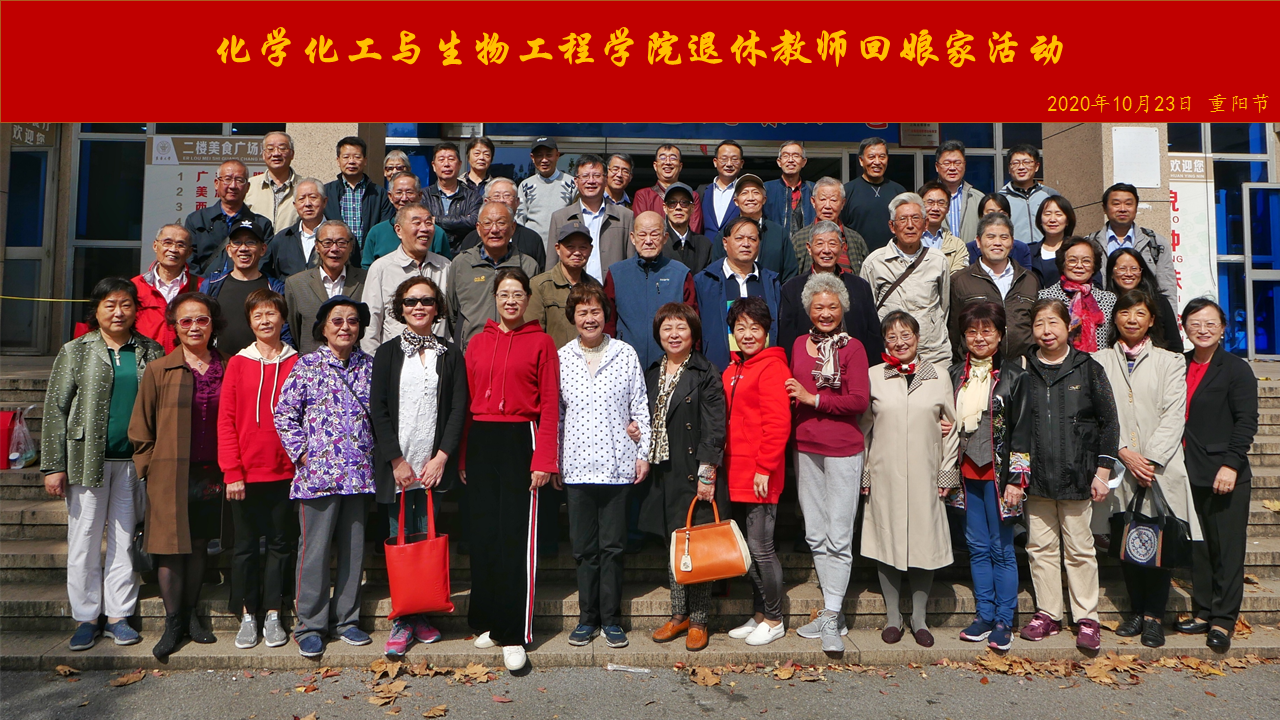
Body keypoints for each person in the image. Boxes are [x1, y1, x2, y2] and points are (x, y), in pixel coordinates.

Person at [42, 278, 164, 651]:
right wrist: (53, 465)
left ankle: (118, 616)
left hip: (133, 461)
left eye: (126, 304)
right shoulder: (76, 350)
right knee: (84, 540)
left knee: (124, 540)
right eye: (110, 305)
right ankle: (86, 617)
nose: (118, 312)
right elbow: (56, 409)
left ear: (136, 309)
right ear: (96, 310)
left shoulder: (150, 350)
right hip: (85, 460)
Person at [461, 268, 560, 672]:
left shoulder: (541, 342)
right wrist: (464, 455)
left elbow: (550, 404)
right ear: (495, 299)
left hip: (522, 439)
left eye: (518, 294)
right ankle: (488, 618)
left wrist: (544, 459)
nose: (511, 301)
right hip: (482, 440)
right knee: (484, 534)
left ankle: (514, 632)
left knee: (514, 537)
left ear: (527, 299)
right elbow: (466, 401)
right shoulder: (477, 342)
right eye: (504, 294)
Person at [1094, 290, 1201, 649]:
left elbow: (1174, 414)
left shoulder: (1171, 361)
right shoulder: (1098, 360)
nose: (1132, 320)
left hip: (1160, 467)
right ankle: (1137, 611)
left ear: (1152, 320)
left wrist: (1150, 459)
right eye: (1125, 313)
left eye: (1140, 313)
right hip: (1119, 465)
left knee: (1160, 539)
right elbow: (1099, 414)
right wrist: (1124, 452)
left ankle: (1155, 615)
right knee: (1128, 537)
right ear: (1115, 318)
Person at [370, 277, 468, 657]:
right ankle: (402, 618)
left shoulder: (450, 353)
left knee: (425, 539)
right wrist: (395, 460)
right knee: (400, 541)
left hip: (432, 467)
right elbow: (378, 409)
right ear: (401, 307)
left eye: (426, 300)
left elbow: (458, 408)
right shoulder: (387, 353)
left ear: (437, 307)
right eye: (411, 301)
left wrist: (442, 457)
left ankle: (422, 613)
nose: (419, 307)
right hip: (399, 466)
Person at [274, 295, 377, 659]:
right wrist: (303, 454)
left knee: (353, 550)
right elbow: (284, 413)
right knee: (314, 552)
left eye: (353, 321)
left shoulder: (369, 366)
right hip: (317, 477)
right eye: (337, 320)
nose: (345, 327)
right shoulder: (307, 365)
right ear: (323, 327)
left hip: (358, 475)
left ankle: (347, 620)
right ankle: (310, 625)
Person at [129, 291, 229, 659]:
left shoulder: (228, 366)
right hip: (169, 472)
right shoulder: (160, 370)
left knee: (200, 545)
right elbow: (141, 427)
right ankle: (173, 623)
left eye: (202, 319)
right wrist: (149, 468)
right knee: (170, 549)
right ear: (174, 326)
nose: (194, 327)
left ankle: (191, 615)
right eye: (186, 321)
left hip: (213, 473)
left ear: (213, 324)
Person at [1017, 298, 1117, 652]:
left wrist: (1102, 471)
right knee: (1040, 548)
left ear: (1068, 326)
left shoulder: (1088, 368)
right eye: (1039, 324)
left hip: (1078, 474)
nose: (1046, 331)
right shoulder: (1022, 369)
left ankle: (1087, 617)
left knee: (1080, 549)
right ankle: (1048, 614)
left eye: (1053, 323)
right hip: (1036, 477)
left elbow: (1109, 423)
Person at [559, 283, 651, 650]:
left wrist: (643, 452)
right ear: (573, 317)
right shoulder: (562, 357)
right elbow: (557, 415)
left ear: (605, 314)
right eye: (582, 312)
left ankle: (611, 620)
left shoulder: (624, 354)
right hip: (576, 466)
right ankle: (587, 619)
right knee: (583, 548)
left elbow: (640, 406)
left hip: (617, 465)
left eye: (595, 311)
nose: (589, 318)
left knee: (612, 546)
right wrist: (554, 460)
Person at [861, 310, 958, 647]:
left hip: (925, 471)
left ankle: (919, 618)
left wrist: (947, 470)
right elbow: (864, 429)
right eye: (892, 337)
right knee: (885, 540)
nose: (900, 342)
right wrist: (864, 471)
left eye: (906, 335)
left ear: (917, 338)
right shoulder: (874, 375)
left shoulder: (939, 376)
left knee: (923, 542)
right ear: (884, 342)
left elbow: (952, 427)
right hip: (884, 472)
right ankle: (893, 617)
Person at [785, 274, 870, 652]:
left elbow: (859, 401)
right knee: (815, 533)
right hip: (805, 447)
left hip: (843, 449)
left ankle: (833, 616)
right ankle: (830, 610)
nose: (825, 313)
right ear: (808, 309)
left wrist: (813, 399)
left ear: (843, 309)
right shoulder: (798, 345)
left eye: (832, 306)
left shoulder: (853, 348)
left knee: (839, 534)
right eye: (818, 306)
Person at [639, 303, 726, 652]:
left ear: (693, 333)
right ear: (658, 334)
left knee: (698, 546)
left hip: (693, 469)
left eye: (681, 328)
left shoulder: (704, 371)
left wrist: (707, 473)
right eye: (667, 329)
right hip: (662, 469)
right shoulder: (652, 371)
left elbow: (715, 426)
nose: (673, 335)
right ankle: (679, 615)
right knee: (673, 544)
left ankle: (699, 619)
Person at [216, 289, 299, 651]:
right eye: (258, 315)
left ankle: (274, 612)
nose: (265, 321)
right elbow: (226, 420)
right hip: (245, 474)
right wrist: (232, 471)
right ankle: (248, 613)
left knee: (281, 545)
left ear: (283, 319)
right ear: (249, 322)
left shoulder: (298, 362)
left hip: (286, 472)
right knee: (245, 547)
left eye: (271, 314)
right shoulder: (238, 363)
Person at [947, 301, 1032, 652]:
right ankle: (983, 615)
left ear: (1000, 335)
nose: (979, 338)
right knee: (977, 548)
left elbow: (1023, 431)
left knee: (1002, 549)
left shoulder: (1015, 376)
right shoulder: (955, 375)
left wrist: (1017, 479)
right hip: (965, 474)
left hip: (1001, 478)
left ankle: (1003, 620)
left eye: (987, 331)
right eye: (971, 331)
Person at [1180, 298, 1259, 651]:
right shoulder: (1179, 364)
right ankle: (1203, 610)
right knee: (1199, 547)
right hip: (1187, 469)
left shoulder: (1236, 369)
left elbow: (1246, 421)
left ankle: (1223, 621)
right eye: (1195, 323)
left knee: (1227, 549)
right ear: (1185, 327)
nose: (1203, 329)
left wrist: (1231, 464)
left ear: (1223, 328)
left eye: (1211, 323)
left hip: (1225, 472)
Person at [721, 297, 791, 647]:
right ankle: (761, 613)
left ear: (766, 332)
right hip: (736, 471)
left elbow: (778, 423)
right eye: (740, 328)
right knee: (747, 550)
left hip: (761, 472)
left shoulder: (772, 367)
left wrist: (765, 467)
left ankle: (775, 619)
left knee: (761, 548)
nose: (748, 334)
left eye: (755, 328)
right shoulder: (732, 370)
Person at [861, 193, 952, 368]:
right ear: (892, 226)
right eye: (903, 219)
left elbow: (944, 306)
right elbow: (867, 312)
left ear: (925, 224)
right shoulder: (874, 263)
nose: (910, 225)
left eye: (916, 218)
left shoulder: (938, 260)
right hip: (891, 354)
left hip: (933, 354)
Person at [778, 220, 882, 367]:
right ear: (809, 248)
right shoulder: (792, 289)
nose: (826, 250)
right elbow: (787, 340)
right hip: (808, 369)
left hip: (853, 367)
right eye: (819, 244)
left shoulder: (860, 287)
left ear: (842, 247)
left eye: (832, 244)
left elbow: (873, 337)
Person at [603, 211, 698, 370]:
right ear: (633, 238)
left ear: (665, 238)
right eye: (642, 235)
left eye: (655, 235)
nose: (648, 241)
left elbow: (693, 325)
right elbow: (608, 323)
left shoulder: (680, 274)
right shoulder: (616, 274)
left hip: (671, 365)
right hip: (625, 365)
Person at [447, 202, 542, 349]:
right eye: (487, 223)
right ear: (478, 228)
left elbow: (534, 313)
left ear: (513, 227)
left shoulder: (528, 266)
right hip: (474, 351)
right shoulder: (461, 264)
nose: (494, 230)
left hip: (517, 350)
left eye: (501, 223)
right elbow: (452, 314)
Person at [693, 217, 782, 371]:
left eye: (752, 239)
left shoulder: (771, 282)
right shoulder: (704, 282)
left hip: (763, 370)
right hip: (717, 372)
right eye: (739, 238)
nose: (746, 244)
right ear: (725, 243)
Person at [948, 213, 1040, 362]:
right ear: (978, 241)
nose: (997, 243)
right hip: (977, 367)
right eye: (990, 237)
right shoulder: (960, 281)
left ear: (1012, 242)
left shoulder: (1029, 279)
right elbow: (954, 333)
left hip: (1023, 366)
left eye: (1004, 237)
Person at [363, 203, 452, 351]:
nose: (424, 229)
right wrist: (374, 360)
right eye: (416, 223)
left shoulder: (446, 266)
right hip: (396, 358)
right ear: (398, 230)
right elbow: (371, 322)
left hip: (438, 357)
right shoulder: (381, 268)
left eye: (428, 223)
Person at [200, 221, 290, 354]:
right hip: (220, 363)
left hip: (262, 363)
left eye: (250, 242)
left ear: (263, 249)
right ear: (228, 250)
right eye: (237, 242)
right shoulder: (212, 285)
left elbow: (285, 332)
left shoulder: (276, 289)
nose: (243, 248)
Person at [1088, 183, 1178, 311]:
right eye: (1116, 204)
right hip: (1102, 315)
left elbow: (1167, 288)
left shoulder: (1155, 242)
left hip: (1143, 315)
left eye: (1128, 204)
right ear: (1104, 208)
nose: (1122, 209)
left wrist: (1170, 320)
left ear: (1136, 207)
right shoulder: (1090, 244)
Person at [283, 219, 368, 355]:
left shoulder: (366, 280)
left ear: (351, 246)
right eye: (327, 243)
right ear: (317, 246)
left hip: (355, 363)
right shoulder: (296, 284)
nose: (334, 249)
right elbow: (294, 330)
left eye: (341, 243)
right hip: (311, 363)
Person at [548, 153, 635, 282]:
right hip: (572, 290)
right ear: (576, 181)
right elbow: (551, 265)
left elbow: (632, 263)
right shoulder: (560, 217)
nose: (591, 181)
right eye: (585, 176)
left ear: (605, 180)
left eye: (596, 176)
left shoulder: (625, 216)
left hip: (613, 290)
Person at [184, 160, 274, 276]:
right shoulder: (196, 220)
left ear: (247, 187)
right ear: (216, 183)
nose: (233, 186)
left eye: (239, 180)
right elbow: (189, 261)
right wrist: (203, 284)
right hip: (205, 285)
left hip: (246, 284)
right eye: (227, 179)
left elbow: (264, 262)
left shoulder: (261, 224)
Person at [710, 173, 799, 282]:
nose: (751, 198)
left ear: (764, 199)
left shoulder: (779, 234)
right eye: (744, 193)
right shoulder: (725, 234)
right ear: (736, 201)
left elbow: (790, 275)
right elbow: (715, 273)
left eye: (756, 192)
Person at [1038, 236, 1116, 353]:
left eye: (1086, 261)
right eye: (1072, 260)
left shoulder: (1108, 299)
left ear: (1094, 266)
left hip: (1099, 362)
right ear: (1062, 264)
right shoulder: (1046, 297)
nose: (1079, 265)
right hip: (1061, 361)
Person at [527, 222, 598, 348]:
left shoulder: (595, 287)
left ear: (590, 250)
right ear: (558, 249)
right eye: (570, 247)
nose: (577, 252)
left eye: (583, 247)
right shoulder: (539, 286)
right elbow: (532, 336)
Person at [360, 172, 449, 268]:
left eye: (409, 192)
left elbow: (445, 268)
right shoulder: (376, 232)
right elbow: (367, 268)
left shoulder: (435, 233)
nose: (404, 198)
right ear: (390, 196)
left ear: (420, 195)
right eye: (399, 193)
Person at [323, 136, 395, 254]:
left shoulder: (379, 194)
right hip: (335, 255)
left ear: (365, 161)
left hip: (370, 256)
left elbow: (384, 230)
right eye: (346, 157)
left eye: (357, 157)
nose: (351, 161)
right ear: (338, 160)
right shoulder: (326, 192)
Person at [458, 178, 548, 270]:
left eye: (507, 196)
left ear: (517, 202)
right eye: (496, 196)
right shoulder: (471, 239)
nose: (501, 200)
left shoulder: (532, 239)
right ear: (486, 202)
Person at [1107, 248, 1184, 353]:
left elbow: (1175, 346)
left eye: (1134, 268)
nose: (1128, 273)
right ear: (1111, 273)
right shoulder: (1104, 302)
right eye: (1122, 268)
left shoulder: (1159, 302)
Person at [789, 177, 870, 276]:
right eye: (823, 199)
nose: (827, 206)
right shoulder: (799, 240)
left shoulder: (855, 240)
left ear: (843, 203)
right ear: (813, 202)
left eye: (833, 200)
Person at [133, 224, 196, 352]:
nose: (173, 249)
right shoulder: (135, 286)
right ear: (155, 246)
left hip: (186, 360)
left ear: (189, 252)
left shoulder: (200, 286)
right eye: (167, 243)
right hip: (145, 359)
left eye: (180, 245)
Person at [840, 137, 906, 253]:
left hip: (893, 257)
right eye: (871, 157)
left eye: (882, 157)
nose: (877, 162)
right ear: (861, 160)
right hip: (858, 257)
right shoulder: (847, 191)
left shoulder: (899, 192)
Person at [264, 177, 331, 279]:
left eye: (313, 197)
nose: (307, 204)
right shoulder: (282, 239)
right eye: (301, 199)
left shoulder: (340, 236)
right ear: (295, 205)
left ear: (324, 202)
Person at [422, 142, 482, 255]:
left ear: (459, 164)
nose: (446, 164)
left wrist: (437, 220)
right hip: (431, 254)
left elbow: (474, 222)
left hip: (464, 255)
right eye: (441, 160)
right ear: (434, 166)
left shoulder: (473, 197)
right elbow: (422, 224)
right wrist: (462, 222)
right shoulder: (423, 196)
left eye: (451, 159)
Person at [516, 137, 576, 247]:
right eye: (539, 155)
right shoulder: (525, 186)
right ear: (532, 158)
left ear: (557, 155)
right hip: (532, 247)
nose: (544, 160)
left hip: (563, 247)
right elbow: (519, 220)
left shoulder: (572, 184)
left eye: (549, 155)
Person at [998, 144, 1059, 245]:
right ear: (1009, 168)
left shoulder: (1050, 195)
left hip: (1046, 250)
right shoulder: (1001, 198)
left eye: (1026, 162)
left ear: (1036, 166)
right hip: (1015, 252)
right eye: (1015, 163)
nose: (1021, 167)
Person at [633, 144, 703, 233]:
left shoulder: (693, 196)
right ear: (655, 165)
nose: (668, 162)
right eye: (662, 158)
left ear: (680, 166)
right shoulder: (643, 195)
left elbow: (694, 230)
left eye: (673, 158)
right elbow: (641, 229)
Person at [244, 131, 299, 231]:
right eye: (270, 149)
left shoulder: (304, 186)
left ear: (292, 154)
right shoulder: (249, 186)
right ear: (263, 155)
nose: (276, 153)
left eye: (282, 148)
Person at [934, 140, 987, 244]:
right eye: (947, 163)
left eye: (957, 163)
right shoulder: (924, 199)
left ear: (964, 165)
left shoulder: (978, 198)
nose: (952, 168)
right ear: (937, 167)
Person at [918, 181, 975, 275]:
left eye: (941, 203)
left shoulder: (957, 245)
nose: (935, 208)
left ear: (948, 208)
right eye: (930, 202)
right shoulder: (908, 239)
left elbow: (958, 277)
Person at [763, 141, 814, 243]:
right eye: (786, 156)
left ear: (804, 162)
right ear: (779, 162)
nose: (790, 160)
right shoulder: (766, 189)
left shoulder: (813, 189)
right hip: (776, 246)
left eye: (796, 156)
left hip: (806, 246)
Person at [660, 182, 713, 274]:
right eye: (672, 203)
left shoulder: (704, 245)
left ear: (692, 208)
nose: (678, 207)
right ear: (665, 208)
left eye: (684, 203)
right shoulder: (658, 242)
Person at [1028, 195, 1076, 288]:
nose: (1052, 219)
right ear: (1040, 220)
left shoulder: (1076, 249)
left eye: (1058, 214)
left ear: (1067, 221)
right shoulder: (1029, 251)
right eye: (1047, 214)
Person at [700, 140, 745, 237]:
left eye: (734, 159)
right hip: (707, 246)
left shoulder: (745, 193)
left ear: (741, 163)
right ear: (715, 162)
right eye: (724, 159)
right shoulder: (702, 192)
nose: (729, 164)